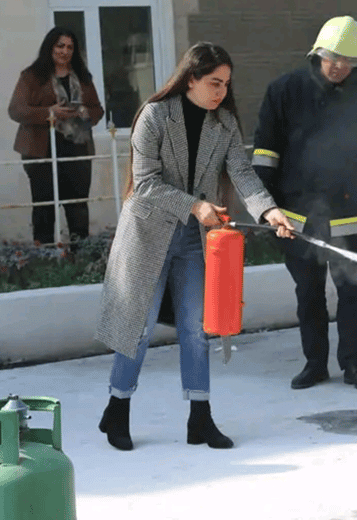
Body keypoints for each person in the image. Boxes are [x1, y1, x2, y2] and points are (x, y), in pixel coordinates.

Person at [94, 43, 295, 451]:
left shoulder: (223, 123)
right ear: (191, 79)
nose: (221, 91)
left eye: (226, 84)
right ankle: (117, 408)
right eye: (213, 82)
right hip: (147, 235)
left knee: (195, 328)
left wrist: (268, 212)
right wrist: (196, 205)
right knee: (139, 325)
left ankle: (199, 419)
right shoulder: (154, 115)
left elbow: (242, 171)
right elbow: (146, 183)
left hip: (193, 239)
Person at [253, 16, 357, 391]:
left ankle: (354, 365)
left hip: (354, 215)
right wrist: (266, 208)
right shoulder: (285, 91)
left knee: (352, 292)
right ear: (317, 53)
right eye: (332, 58)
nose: (339, 67)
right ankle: (315, 364)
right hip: (297, 217)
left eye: (348, 61)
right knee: (308, 292)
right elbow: (265, 154)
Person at [8, 27, 104, 246]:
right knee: (44, 207)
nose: (65, 51)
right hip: (42, 149)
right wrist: (49, 113)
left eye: (70, 47)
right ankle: (45, 257)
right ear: (50, 47)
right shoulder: (32, 76)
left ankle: (81, 256)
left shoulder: (82, 76)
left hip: (77, 147)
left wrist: (85, 112)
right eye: (60, 46)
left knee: (77, 206)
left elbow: (97, 109)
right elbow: (16, 110)